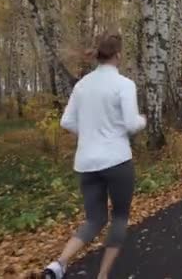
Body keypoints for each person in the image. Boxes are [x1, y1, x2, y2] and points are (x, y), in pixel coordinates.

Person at [43, 33, 146, 279]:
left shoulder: (82, 85)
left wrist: (89, 134)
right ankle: (102, 276)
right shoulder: (124, 84)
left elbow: (66, 121)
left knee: (94, 219)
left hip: (87, 163)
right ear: (118, 55)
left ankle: (59, 264)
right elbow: (131, 124)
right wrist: (143, 120)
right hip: (117, 160)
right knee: (119, 216)